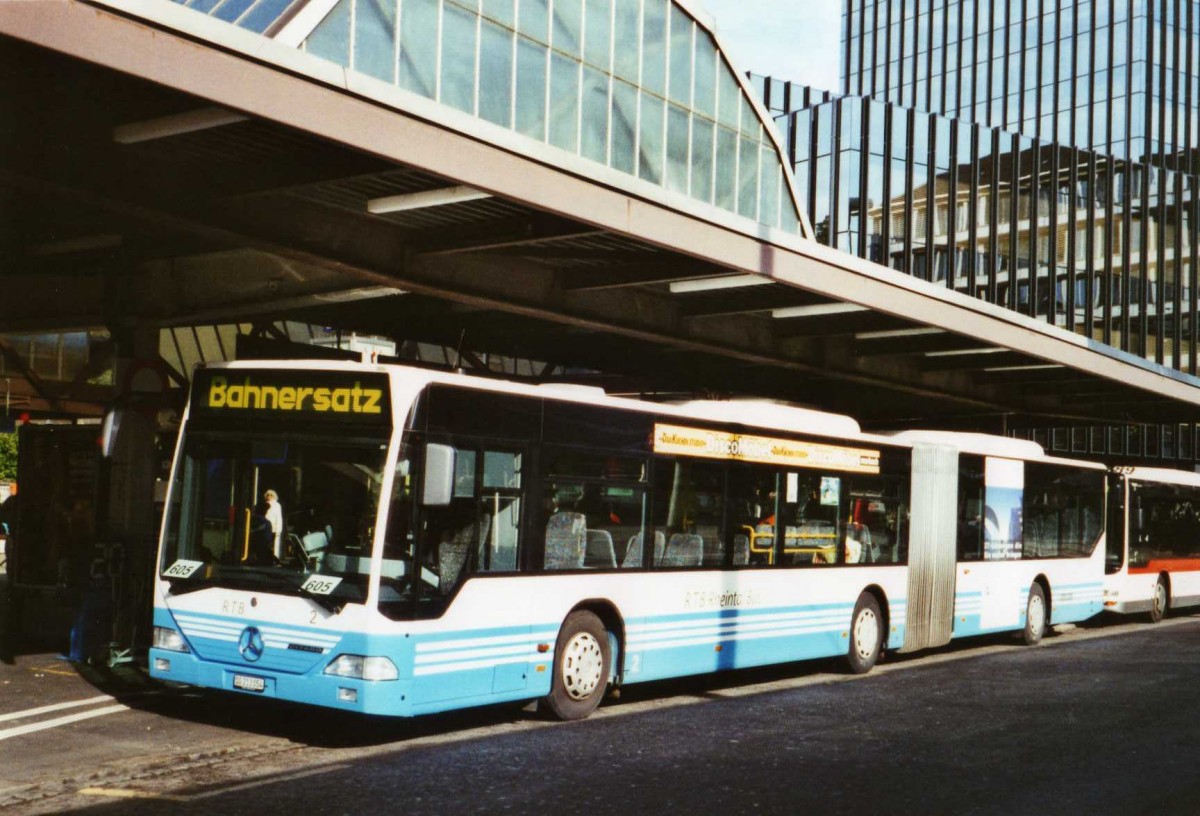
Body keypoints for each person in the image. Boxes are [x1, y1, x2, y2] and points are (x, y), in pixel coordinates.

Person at [263, 489, 283, 558]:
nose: (269, 496)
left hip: (273, 528)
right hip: (264, 527)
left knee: (272, 545)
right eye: (267, 494)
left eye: (271, 495)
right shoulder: (264, 504)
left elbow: (279, 518)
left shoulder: (277, 505)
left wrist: (278, 529)